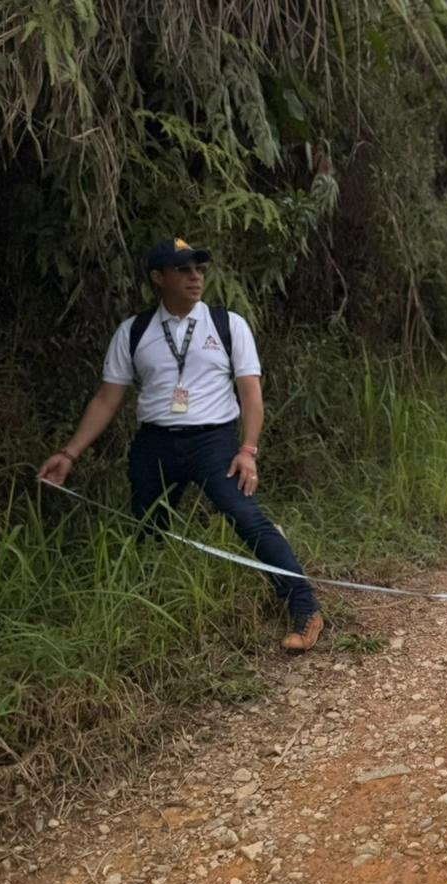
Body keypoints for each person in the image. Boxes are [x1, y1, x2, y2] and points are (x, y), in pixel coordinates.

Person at [37, 237, 324, 653]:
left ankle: (306, 608)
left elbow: (251, 395)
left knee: (247, 518)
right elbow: (106, 398)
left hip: (214, 443)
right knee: (147, 528)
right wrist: (69, 454)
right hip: (155, 444)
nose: (195, 277)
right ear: (159, 277)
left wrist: (248, 450)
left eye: (199, 269)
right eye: (184, 269)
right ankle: (153, 621)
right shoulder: (134, 332)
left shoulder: (228, 325)